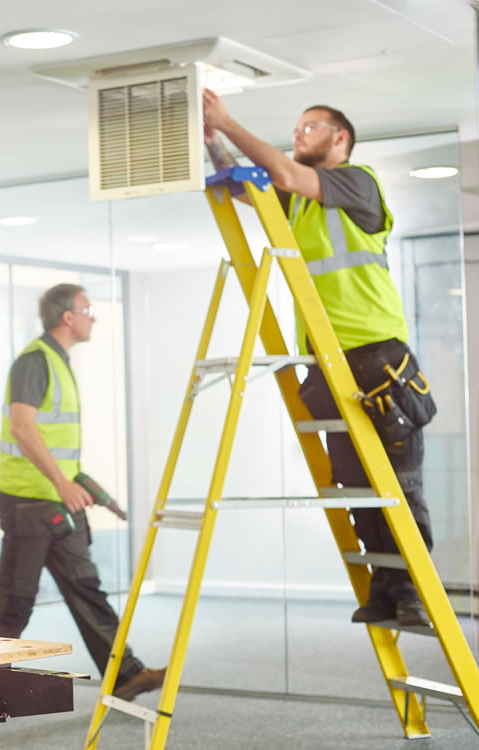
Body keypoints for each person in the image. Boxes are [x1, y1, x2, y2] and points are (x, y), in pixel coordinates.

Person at [203, 92, 436, 628]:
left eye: (311, 127)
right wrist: (211, 138)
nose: (299, 134)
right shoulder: (299, 202)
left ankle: (413, 591)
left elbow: (280, 171)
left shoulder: (359, 183)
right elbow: (244, 185)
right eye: (297, 127)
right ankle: (385, 588)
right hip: (327, 361)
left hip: (378, 355)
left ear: (341, 139)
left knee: (397, 484)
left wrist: (227, 120)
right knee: (355, 483)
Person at [0, 284, 167, 702]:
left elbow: (57, 447)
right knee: (15, 602)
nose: (93, 316)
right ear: (67, 316)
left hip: (58, 502)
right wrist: (62, 482)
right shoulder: (35, 361)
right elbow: (22, 428)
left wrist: (89, 488)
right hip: (30, 504)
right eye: (88, 309)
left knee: (87, 588)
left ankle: (124, 673)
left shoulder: (59, 362)